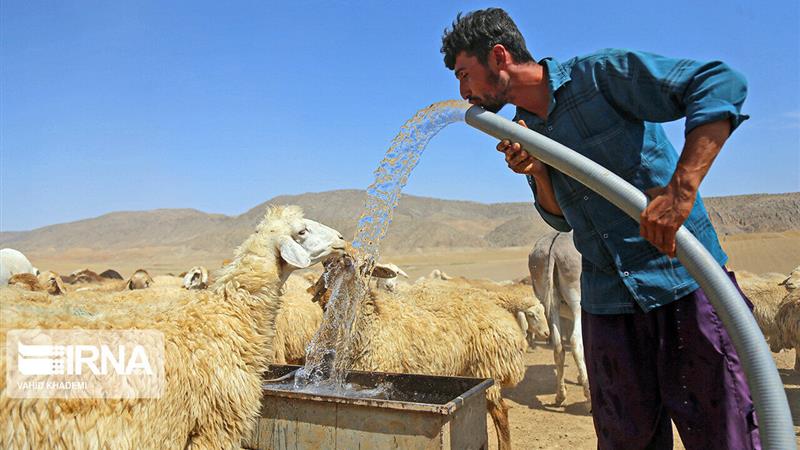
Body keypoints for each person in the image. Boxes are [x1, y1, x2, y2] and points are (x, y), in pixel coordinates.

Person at [441, 8, 759, 450]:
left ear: (499, 56)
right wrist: (539, 171)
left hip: (682, 284)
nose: (463, 92)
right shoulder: (524, 129)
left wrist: (681, 191)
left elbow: (720, 83)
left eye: (464, 74)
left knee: (726, 435)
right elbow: (560, 219)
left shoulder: (599, 76)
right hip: (607, 304)